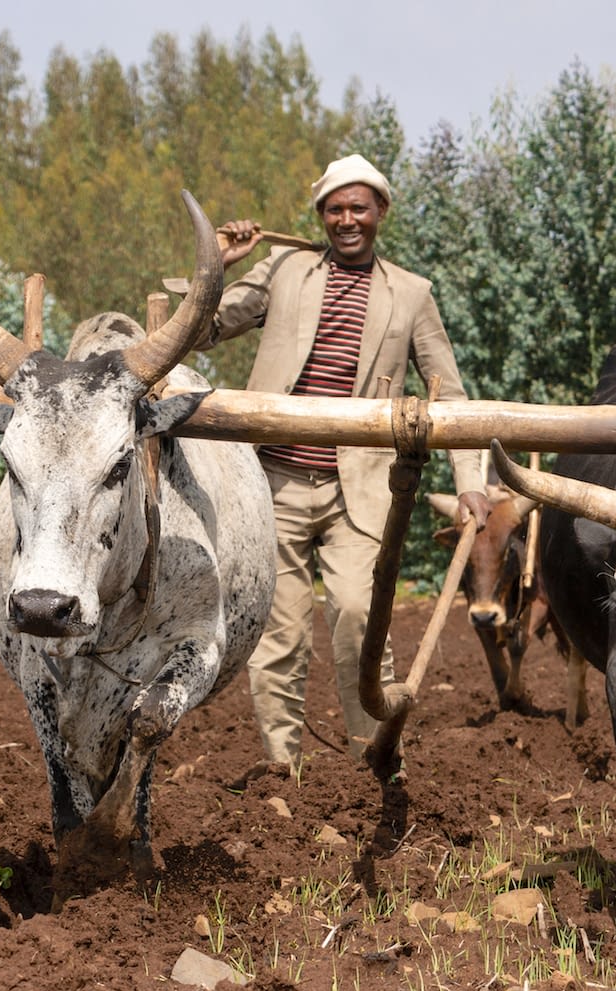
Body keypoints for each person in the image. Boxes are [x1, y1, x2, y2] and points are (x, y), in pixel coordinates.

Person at [198, 154, 490, 773]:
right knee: (277, 636)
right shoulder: (285, 269)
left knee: (360, 617)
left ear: (381, 211)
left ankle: (372, 766)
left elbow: (451, 392)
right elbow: (203, 330)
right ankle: (284, 771)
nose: (347, 220)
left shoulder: (410, 293)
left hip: (357, 490)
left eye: (359, 207)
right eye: (335, 209)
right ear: (321, 216)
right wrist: (217, 266)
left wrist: (472, 484)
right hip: (271, 482)